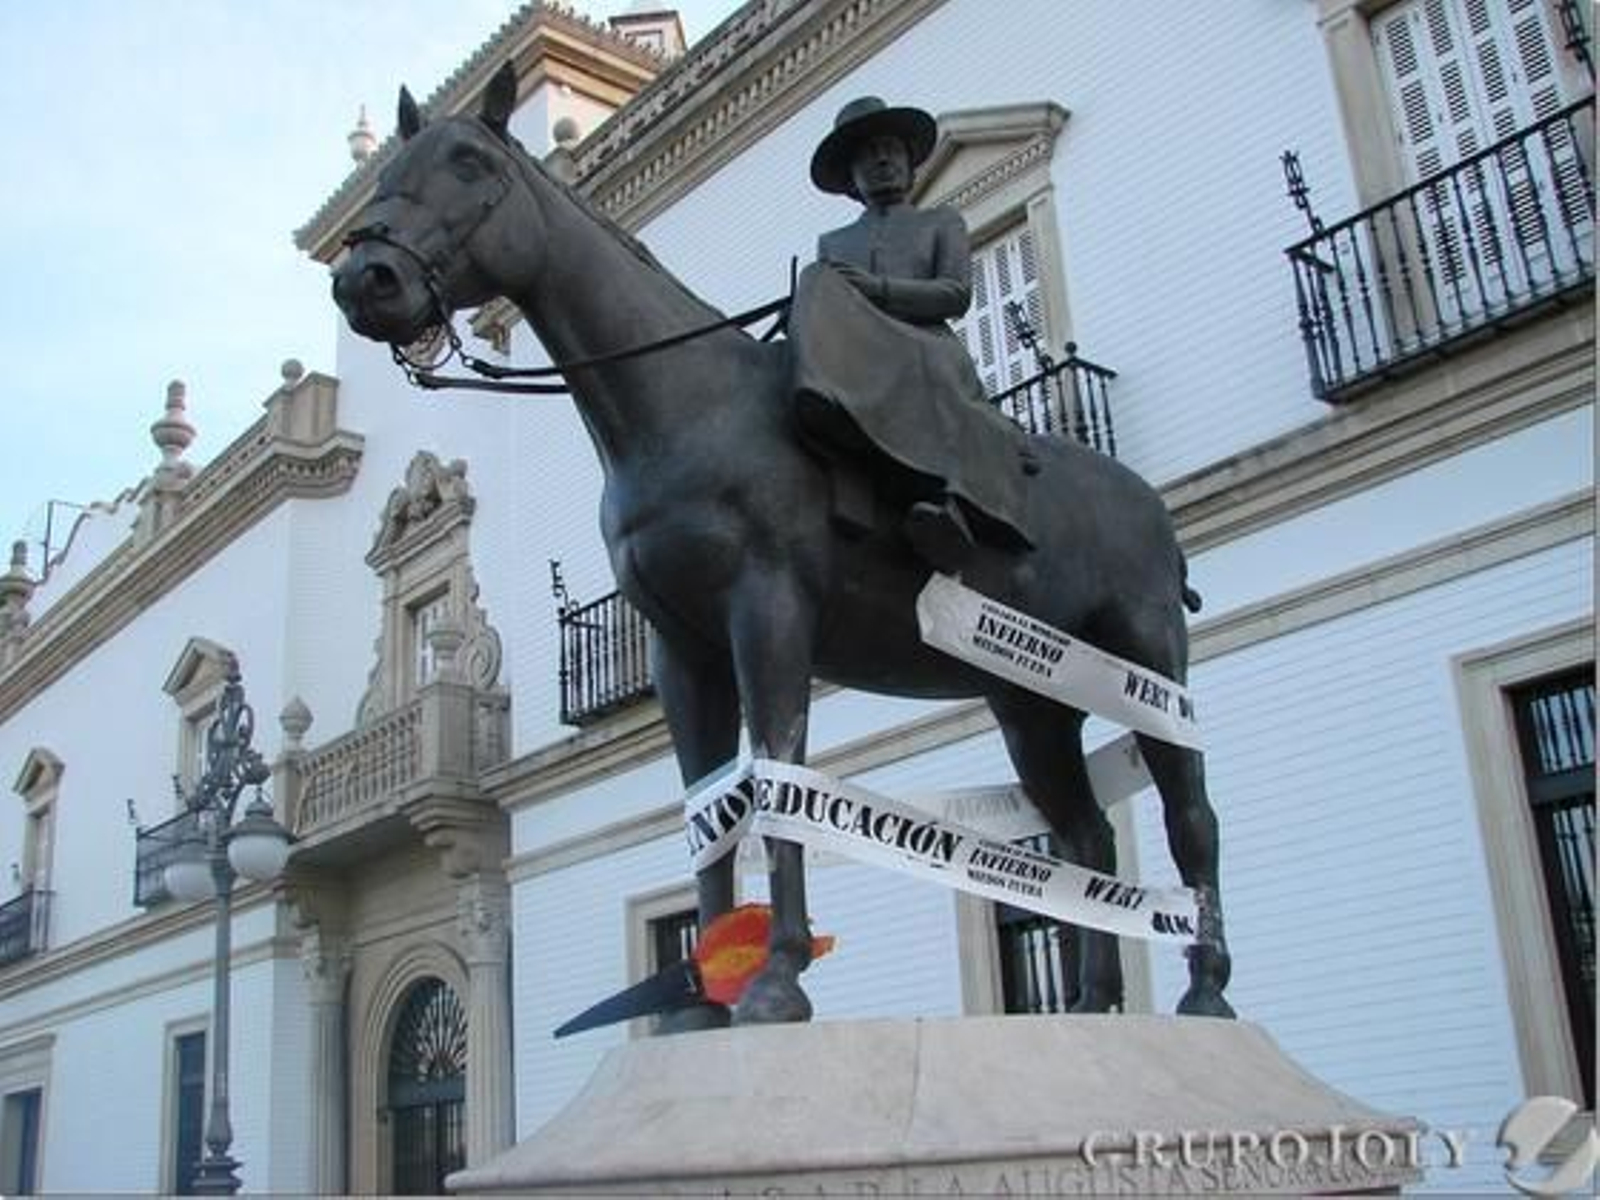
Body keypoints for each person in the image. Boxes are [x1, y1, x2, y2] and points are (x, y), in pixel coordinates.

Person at [791, 96, 1035, 573]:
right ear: (851, 179)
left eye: (891, 150)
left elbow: (955, 294)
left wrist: (878, 289)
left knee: (927, 364)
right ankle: (818, 409)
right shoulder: (833, 244)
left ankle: (951, 505)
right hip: (861, 352)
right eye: (868, 155)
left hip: (926, 343)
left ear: (908, 163)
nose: (882, 160)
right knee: (812, 283)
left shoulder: (941, 223)